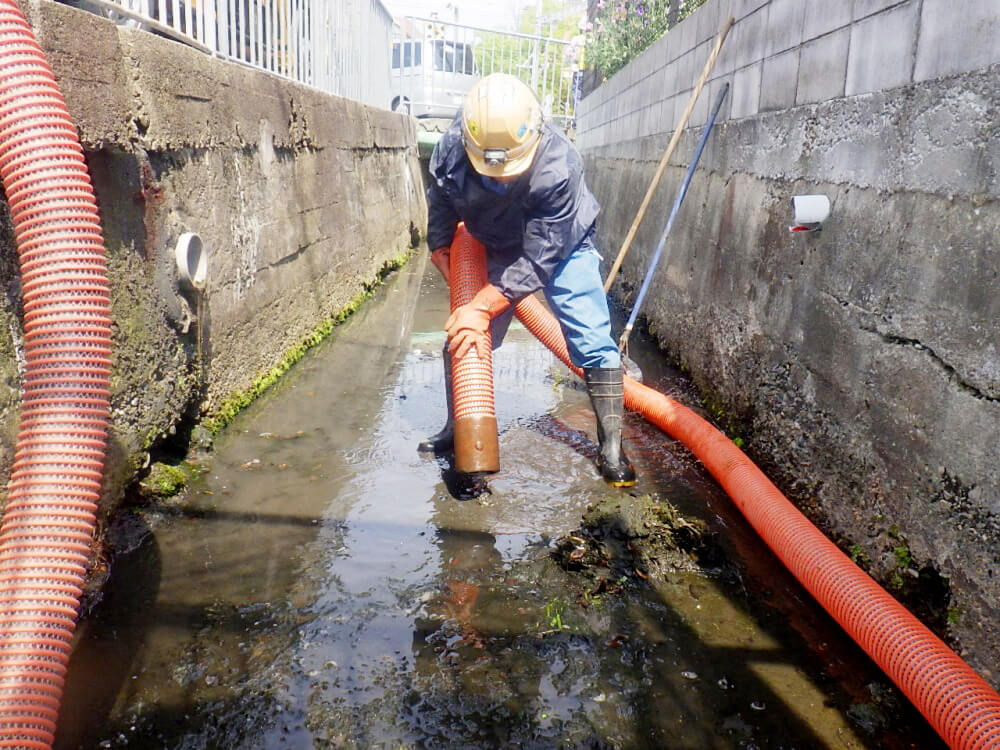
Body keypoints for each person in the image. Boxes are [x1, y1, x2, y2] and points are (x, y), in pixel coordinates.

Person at [417, 73, 635, 488]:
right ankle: (456, 429)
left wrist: (481, 305)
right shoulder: (451, 149)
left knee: (589, 333)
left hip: (561, 243)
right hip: (493, 240)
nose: (499, 177)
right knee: (464, 335)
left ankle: (611, 447)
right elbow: (442, 200)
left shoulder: (558, 165)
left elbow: (540, 258)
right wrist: (441, 246)